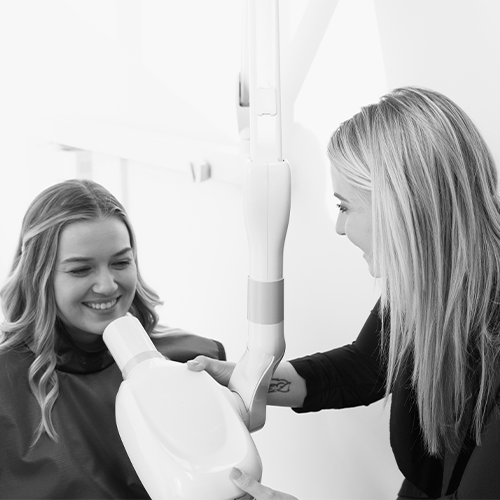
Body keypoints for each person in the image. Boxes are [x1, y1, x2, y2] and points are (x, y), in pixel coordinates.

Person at [188, 86, 500, 499]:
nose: (339, 227)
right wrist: (254, 379)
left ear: (400, 208)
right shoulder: (430, 288)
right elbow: (364, 368)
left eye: (345, 206)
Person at [0, 179, 226, 499]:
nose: (107, 286)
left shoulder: (193, 361)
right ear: (38, 274)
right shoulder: (5, 385)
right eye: (81, 270)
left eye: (120, 262)